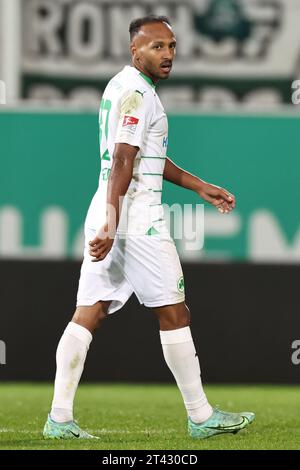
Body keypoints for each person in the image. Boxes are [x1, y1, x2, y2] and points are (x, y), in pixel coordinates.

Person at [43, 15, 254, 440]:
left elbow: (143, 158)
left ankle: (59, 419)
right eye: (157, 47)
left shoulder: (120, 86)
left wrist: (200, 187)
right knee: (175, 311)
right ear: (134, 50)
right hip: (135, 217)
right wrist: (114, 220)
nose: (168, 55)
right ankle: (200, 416)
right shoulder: (139, 94)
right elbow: (124, 159)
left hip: (107, 205)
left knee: (90, 311)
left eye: (172, 46)